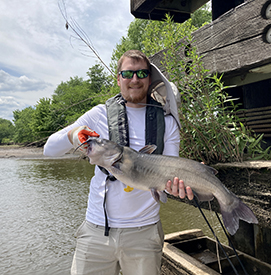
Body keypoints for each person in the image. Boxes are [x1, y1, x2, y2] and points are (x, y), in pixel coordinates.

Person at [43, 50, 194, 275]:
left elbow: (170, 168)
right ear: (118, 79)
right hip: (95, 231)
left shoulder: (168, 122)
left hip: (144, 233)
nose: (135, 79)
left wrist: (177, 186)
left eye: (142, 73)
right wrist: (74, 135)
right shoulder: (98, 115)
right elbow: (49, 149)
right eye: (128, 73)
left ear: (149, 79)